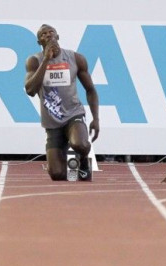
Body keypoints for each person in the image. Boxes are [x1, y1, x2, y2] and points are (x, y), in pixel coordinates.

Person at [24, 24, 99, 181]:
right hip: (52, 121)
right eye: (44, 34)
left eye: (52, 32)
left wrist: (96, 119)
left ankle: (84, 160)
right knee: (58, 175)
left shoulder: (75, 58)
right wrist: (46, 60)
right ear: (39, 42)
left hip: (74, 114)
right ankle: (67, 157)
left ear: (57, 37)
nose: (49, 35)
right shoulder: (34, 61)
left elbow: (90, 90)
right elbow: (30, 90)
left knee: (80, 144)